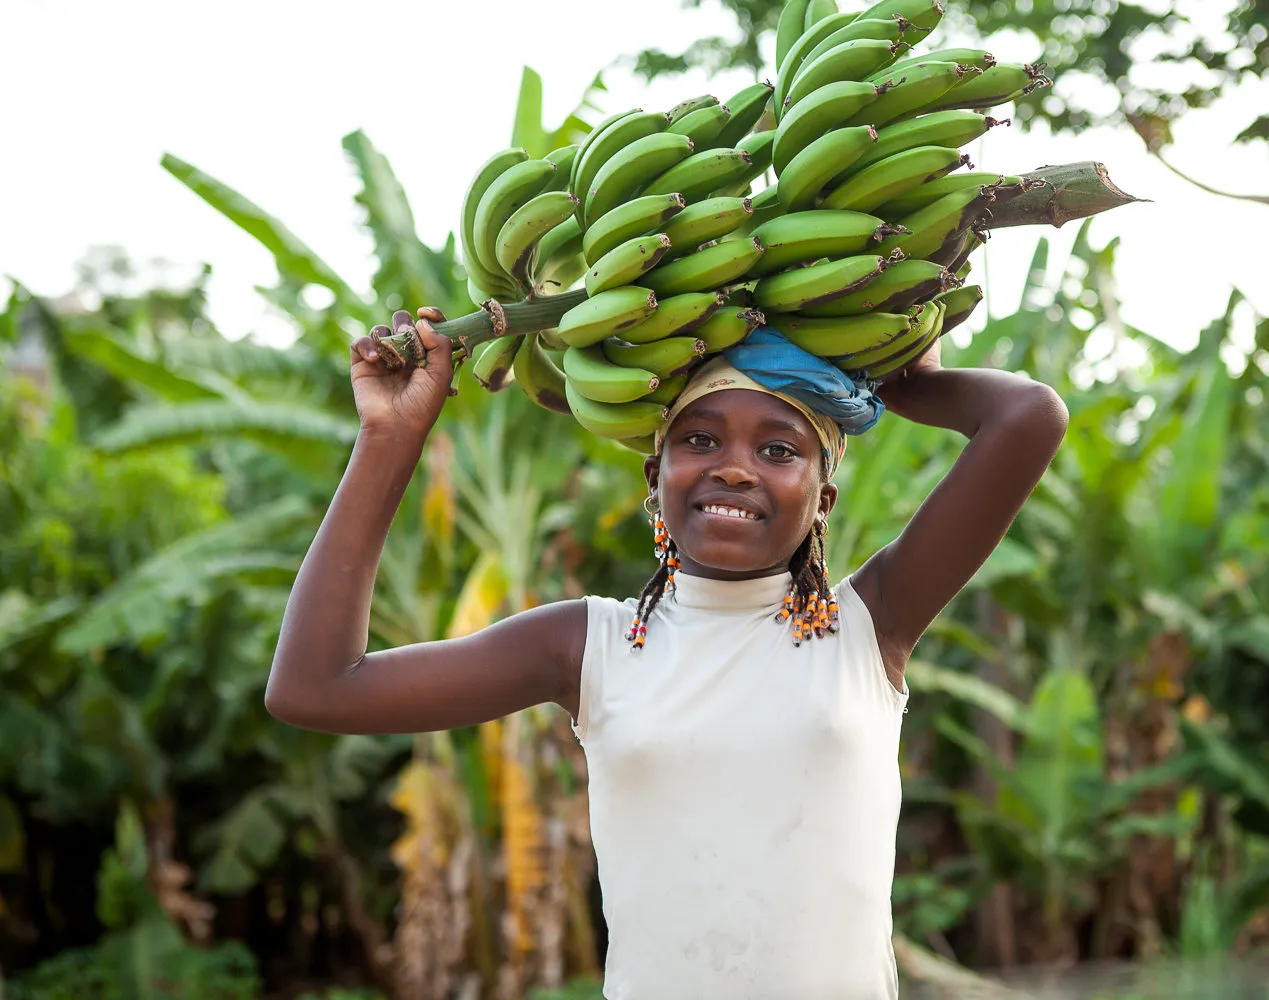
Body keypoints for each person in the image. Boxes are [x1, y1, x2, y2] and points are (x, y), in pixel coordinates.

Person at [266, 304, 1069, 1000]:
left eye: (780, 450)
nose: (734, 467)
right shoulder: (589, 644)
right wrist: (389, 436)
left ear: (823, 496)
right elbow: (315, 687)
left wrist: (900, 382)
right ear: (655, 476)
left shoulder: (868, 623)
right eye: (700, 439)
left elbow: (1028, 417)